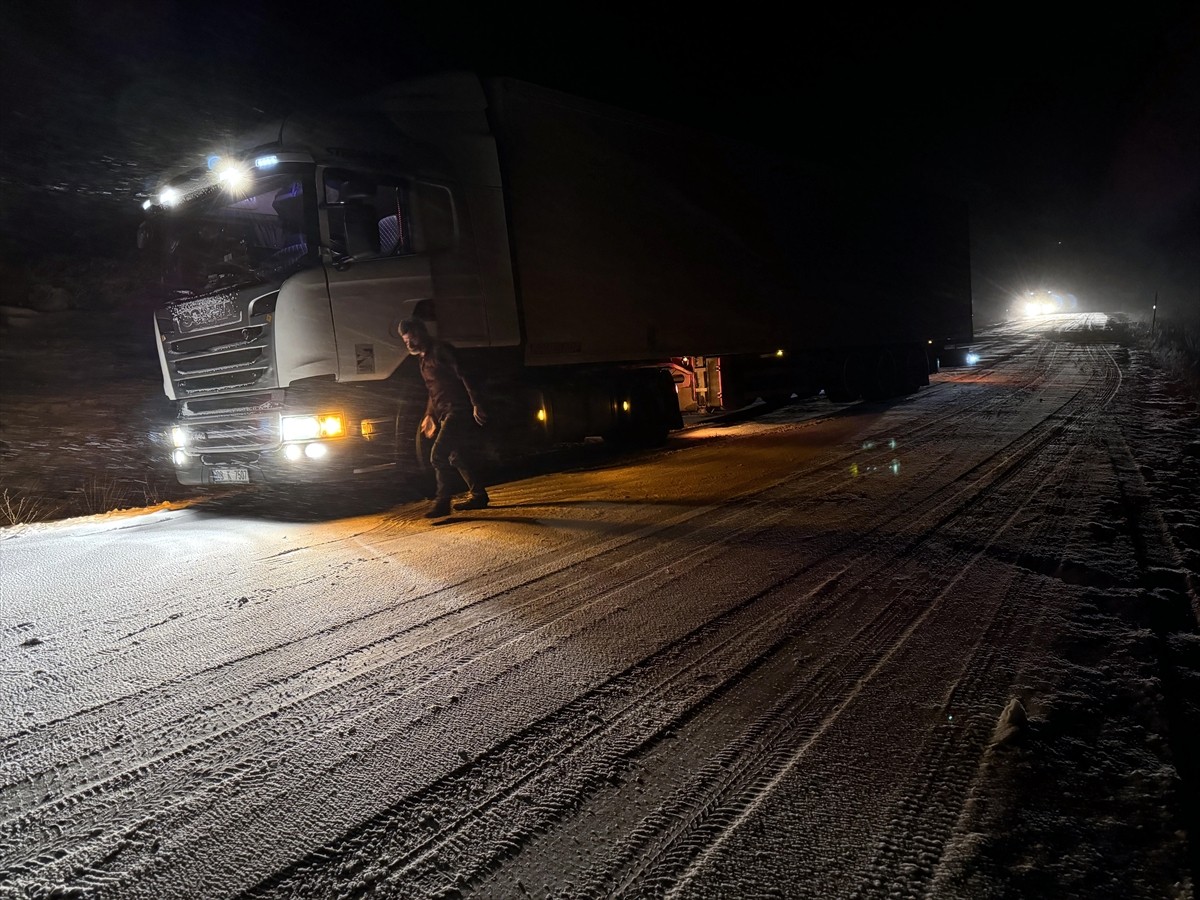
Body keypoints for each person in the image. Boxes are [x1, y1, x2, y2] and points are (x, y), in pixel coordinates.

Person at [398, 318, 489, 518]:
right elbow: (432, 390)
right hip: (443, 413)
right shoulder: (421, 359)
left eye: (412, 339)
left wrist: (476, 404)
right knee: (457, 456)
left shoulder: (441, 350)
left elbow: (465, 375)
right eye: (406, 342)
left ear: (422, 333)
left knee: (438, 455)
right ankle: (479, 495)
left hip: (458, 409)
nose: (410, 345)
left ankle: (442, 503)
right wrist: (429, 415)